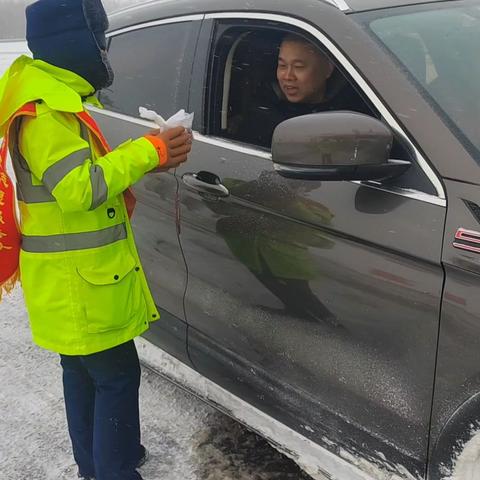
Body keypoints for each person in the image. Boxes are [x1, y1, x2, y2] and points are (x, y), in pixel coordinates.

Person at [0, 1, 192, 479]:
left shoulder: (53, 97)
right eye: (98, 38)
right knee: (116, 378)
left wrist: (143, 153)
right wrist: (149, 150)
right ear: (75, 44)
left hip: (74, 282)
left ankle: (97, 463)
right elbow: (79, 189)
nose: (105, 49)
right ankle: (116, 470)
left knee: (82, 375)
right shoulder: (46, 113)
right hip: (80, 284)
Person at [237, 33, 372, 147]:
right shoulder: (263, 117)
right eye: (282, 65)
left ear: (328, 68)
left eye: (299, 67)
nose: (288, 76)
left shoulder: (356, 112)